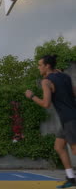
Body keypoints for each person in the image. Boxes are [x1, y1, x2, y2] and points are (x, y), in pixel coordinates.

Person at [25, 55, 76, 188]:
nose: (38, 67)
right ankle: (71, 178)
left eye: (40, 65)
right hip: (68, 118)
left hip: (70, 119)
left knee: (75, 149)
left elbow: (46, 104)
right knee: (59, 147)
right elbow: (74, 93)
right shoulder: (65, 76)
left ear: (47, 66)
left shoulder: (46, 82)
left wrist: (32, 96)